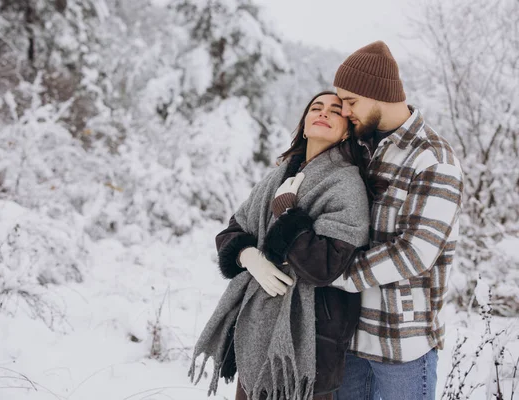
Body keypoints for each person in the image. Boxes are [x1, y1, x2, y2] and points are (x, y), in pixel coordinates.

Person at [189, 91, 371, 400]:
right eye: (316, 108)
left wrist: (288, 215)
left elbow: (324, 266)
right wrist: (248, 256)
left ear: (346, 131)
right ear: (304, 125)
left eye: (335, 111)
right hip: (256, 328)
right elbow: (232, 231)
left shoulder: (348, 185)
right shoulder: (277, 177)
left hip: (308, 339)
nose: (324, 113)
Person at [329, 41, 464, 400]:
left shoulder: (434, 158)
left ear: (379, 95)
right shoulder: (358, 147)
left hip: (402, 344)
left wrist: (333, 272)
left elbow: (414, 252)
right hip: (349, 334)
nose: (344, 110)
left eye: (351, 101)